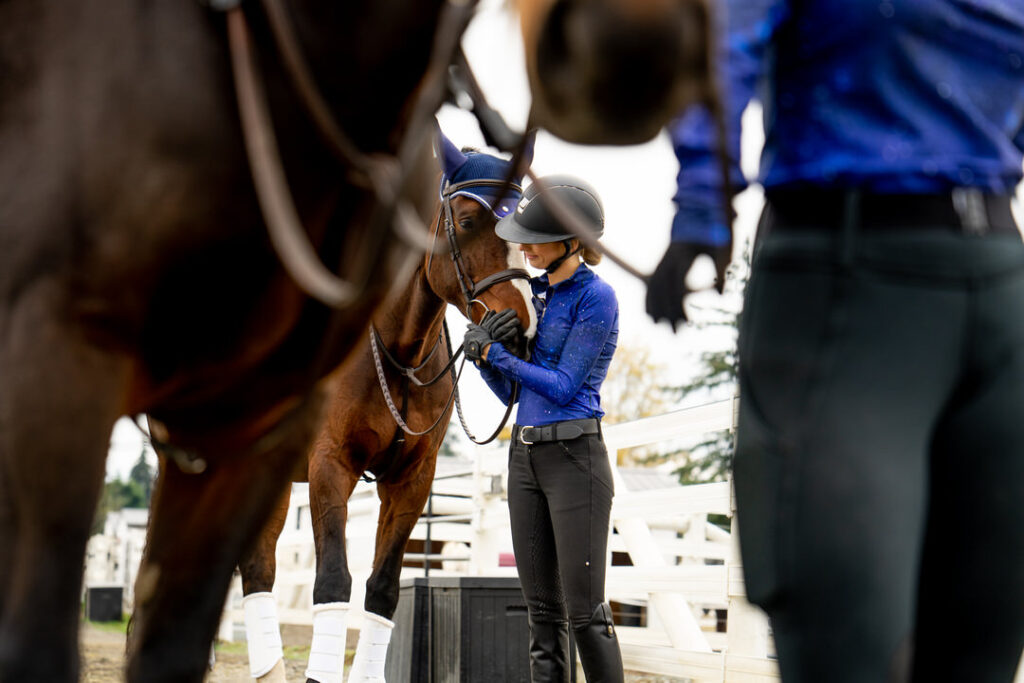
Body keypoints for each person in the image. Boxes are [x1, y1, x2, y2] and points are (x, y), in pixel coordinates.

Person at [645, 2, 1024, 682]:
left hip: (984, 277)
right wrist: (701, 195)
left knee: (980, 652)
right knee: (849, 645)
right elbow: (722, 37)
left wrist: (704, 197)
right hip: (854, 272)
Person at [464, 176, 623, 683]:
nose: (525, 247)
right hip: (525, 460)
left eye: (535, 238)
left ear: (571, 241)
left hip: (576, 460)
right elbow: (515, 396)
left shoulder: (596, 299)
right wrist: (482, 357)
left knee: (586, 614)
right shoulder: (533, 298)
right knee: (542, 616)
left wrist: (500, 356)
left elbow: (562, 385)